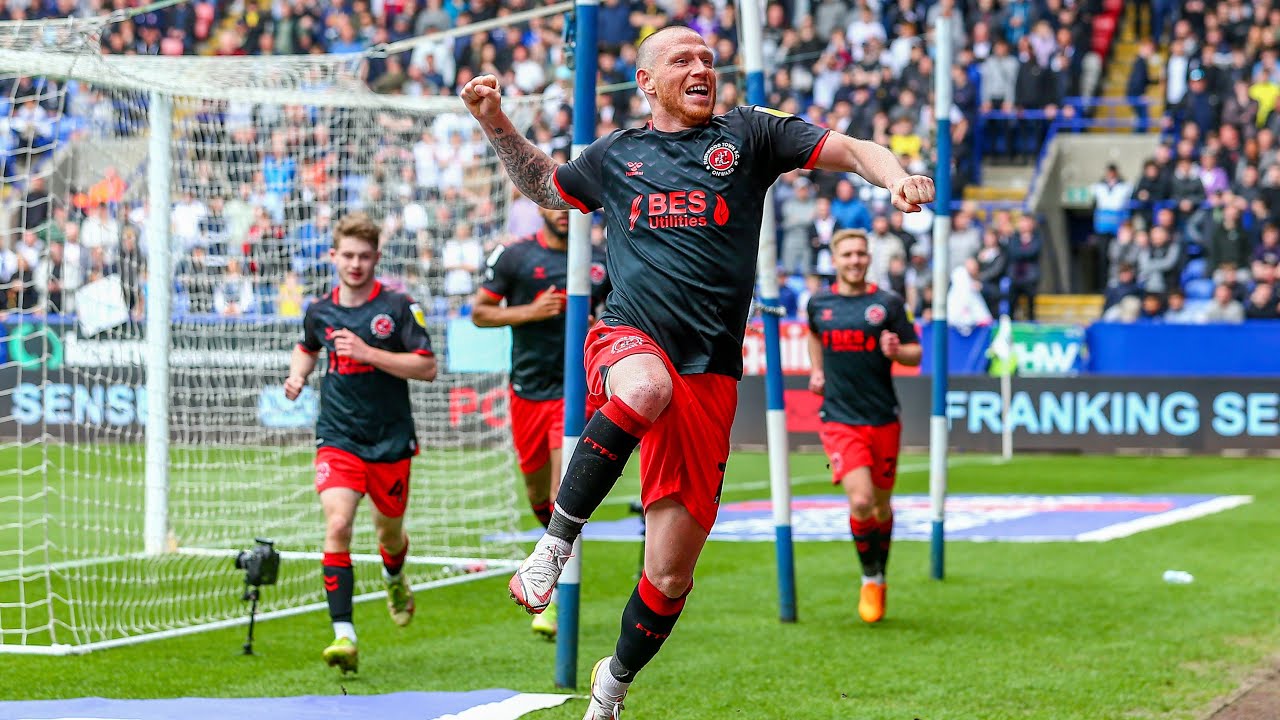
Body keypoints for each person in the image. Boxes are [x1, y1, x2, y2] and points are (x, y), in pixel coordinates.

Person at [462, 25, 934, 720]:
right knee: (644, 387)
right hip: (628, 338)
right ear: (647, 82)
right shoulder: (617, 154)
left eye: (708, 59)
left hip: (710, 374)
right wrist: (496, 122)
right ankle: (556, 543)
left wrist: (895, 177)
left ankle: (611, 686)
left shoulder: (749, 135)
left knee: (670, 573)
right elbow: (547, 187)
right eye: (682, 59)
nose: (701, 68)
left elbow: (853, 147)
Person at [284, 212, 437, 674]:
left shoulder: (398, 306)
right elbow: (307, 346)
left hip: (390, 439)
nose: (355, 264)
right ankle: (344, 635)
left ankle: (393, 574)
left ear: (376, 258)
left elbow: (427, 366)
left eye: (364, 256)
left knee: (389, 534)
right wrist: (297, 375)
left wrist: (370, 353)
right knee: (338, 525)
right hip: (338, 436)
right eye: (347, 255)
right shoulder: (320, 310)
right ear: (334, 256)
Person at [470, 206, 610, 640]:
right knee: (536, 493)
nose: (564, 213)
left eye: (572, 205)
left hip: (575, 392)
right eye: (554, 203)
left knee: (561, 492)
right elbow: (479, 313)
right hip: (527, 391)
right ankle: (546, 560)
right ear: (538, 207)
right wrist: (531, 312)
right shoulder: (512, 257)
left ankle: (550, 598)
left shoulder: (602, 260)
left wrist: (601, 324)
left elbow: (619, 313)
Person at [806, 230, 921, 623]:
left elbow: (914, 352)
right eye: (847, 254)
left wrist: (896, 351)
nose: (855, 260)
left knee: (882, 505)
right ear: (834, 260)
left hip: (883, 417)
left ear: (868, 258)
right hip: (839, 418)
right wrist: (818, 370)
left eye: (860, 254)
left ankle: (881, 574)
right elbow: (814, 336)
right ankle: (869, 578)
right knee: (861, 500)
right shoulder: (819, 303)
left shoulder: (886, 303)